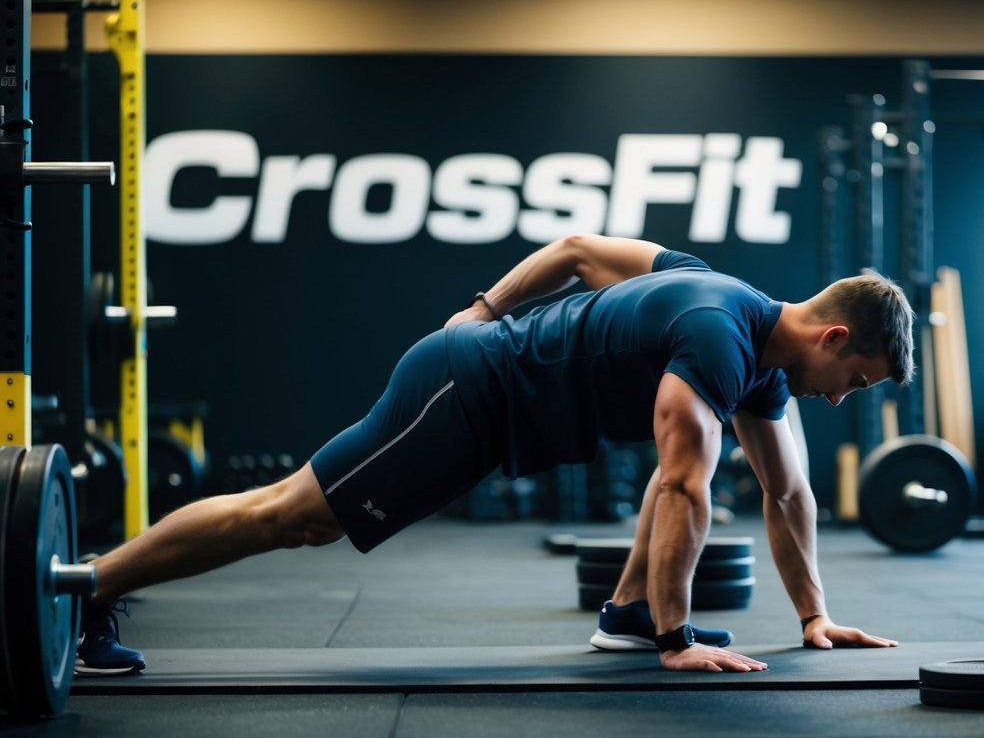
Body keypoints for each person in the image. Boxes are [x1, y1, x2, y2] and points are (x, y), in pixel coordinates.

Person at [75, 234, 914, 676]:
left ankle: (623, 616)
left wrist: (812, 616)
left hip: (488, 413)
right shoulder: (717, 335)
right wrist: (675, 640)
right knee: (291, 518)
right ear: (833, 335)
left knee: (682, 477)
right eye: (854, 379)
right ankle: (91, 588)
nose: (840, 398)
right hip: (464, 393)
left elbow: (788, 493)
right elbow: (684, 486)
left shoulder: (755, 352)